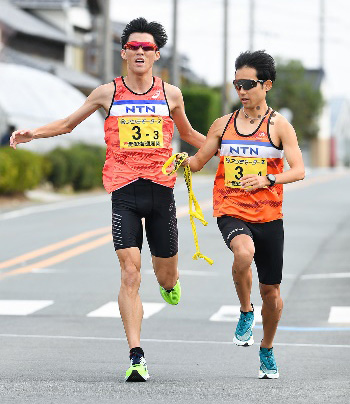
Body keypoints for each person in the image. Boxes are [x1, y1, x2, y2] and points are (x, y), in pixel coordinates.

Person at [10, 17, 206, 382]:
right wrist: (32, 133)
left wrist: (229, 149)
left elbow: (191, 134)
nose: (140, 52)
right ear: (124, 52)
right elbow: (68, 124)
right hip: (124, 191)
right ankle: (136, 355)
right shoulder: (107, 93)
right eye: (134, 47)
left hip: (161, 190)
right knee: (130, 272)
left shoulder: (171, 94)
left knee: (165, 276)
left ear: (157, 55)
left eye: (147, 48)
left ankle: (169, 284)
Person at [183, 50, 305, 379]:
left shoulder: (280, 126)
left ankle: (266, 348)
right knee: (243, 251)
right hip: (230, 207)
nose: (241, 89)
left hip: (269, 216)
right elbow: (197, 162)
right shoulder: (222, 125)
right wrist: (181, 158)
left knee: (274, 296)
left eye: (247, 83)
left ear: (266, 85)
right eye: (236, 83)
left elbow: (299, 170)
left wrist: (269, 178)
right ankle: (245, 310)